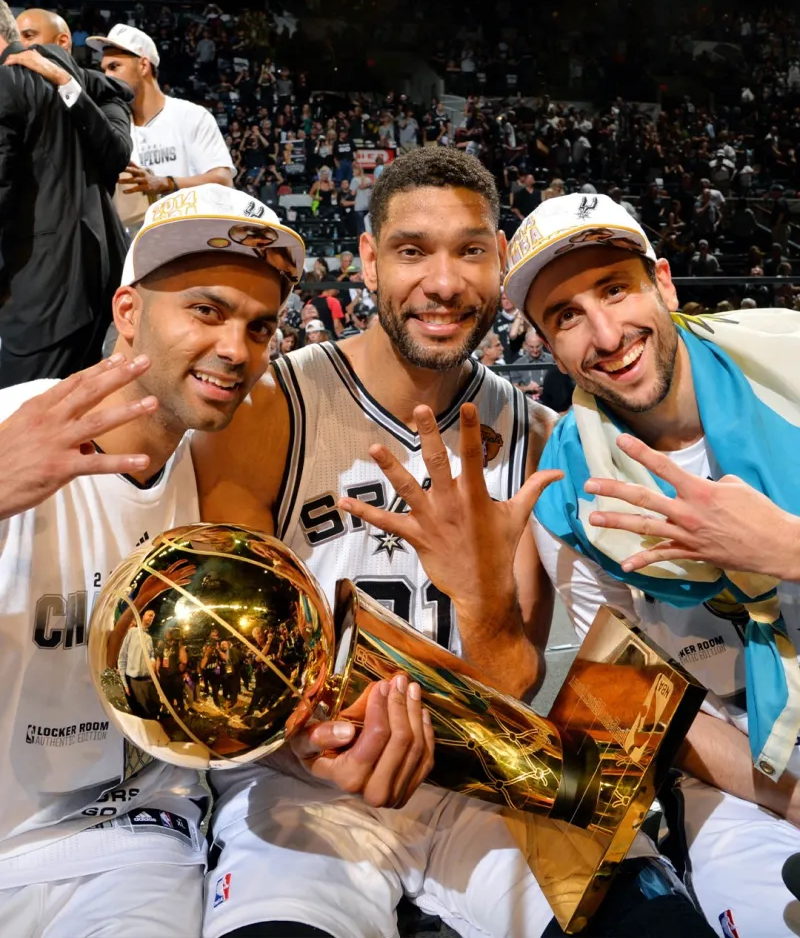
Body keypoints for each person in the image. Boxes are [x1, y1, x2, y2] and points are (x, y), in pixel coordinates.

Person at [193, 151, 701, 938]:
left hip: (488, 775)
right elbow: (235, 659)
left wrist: (483, 602)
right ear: (369, 260)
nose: (443, 282)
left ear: (499, 260)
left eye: (468, 251)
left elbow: (515, 683)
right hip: (305, 786)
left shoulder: (538, 436)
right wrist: (313, 743)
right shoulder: (269, 411)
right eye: (412, 251)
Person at [0, 183, 307, 935]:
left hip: (136, 837)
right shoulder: (14, 429)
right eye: (206, 310)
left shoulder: (227, 482)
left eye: (260, 327)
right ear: (128, 312)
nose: (236, 350)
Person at [504, 191, 800, 937]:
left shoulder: (790, 363)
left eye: (615, 289)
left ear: (663, 283)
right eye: (567, 316)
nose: (606, 336)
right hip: (742, 775)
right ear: (548, 346)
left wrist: (786, 550)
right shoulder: (566, 495)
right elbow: (649, 700)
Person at [0, 0, 132, 386]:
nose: (28, 48)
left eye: (32, 37)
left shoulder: (21, 75)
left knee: (21, 409)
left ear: (60, 44)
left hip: (49, 282)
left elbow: (116, 152)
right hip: (90, 273)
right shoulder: (68, 81)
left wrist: (64, 79)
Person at [88, 24, 234, 226]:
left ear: (143, 66)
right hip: (136, 242)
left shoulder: (190, 115)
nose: (106, 77)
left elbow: (223, 181)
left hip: (189, 237)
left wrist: (166, 183)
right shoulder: (113, 127)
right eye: (103, 69)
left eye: (114, 67)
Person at [118, 606, 160, 717]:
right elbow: (122, 659)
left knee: (155, 709)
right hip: (135, 682)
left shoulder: (149, 638)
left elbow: (151, 655)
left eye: (153, 617)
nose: (152, 618)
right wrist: (125, 684)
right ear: (142, 616)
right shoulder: (131, 633)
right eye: (150, 615)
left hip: (148, 681)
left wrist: (153, 661)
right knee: (143, 713)